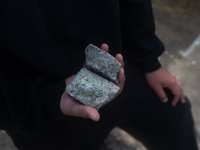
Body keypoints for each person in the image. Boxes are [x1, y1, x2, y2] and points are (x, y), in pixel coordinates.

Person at [0, 0, 198, 149]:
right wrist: (43, 102)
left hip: (115, 68)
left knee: (175, 111)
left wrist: (150, 61)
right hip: (34, 103)